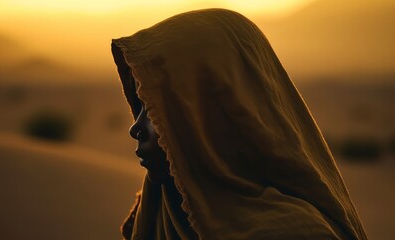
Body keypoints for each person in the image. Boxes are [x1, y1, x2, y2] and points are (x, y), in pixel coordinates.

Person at [111, 8, 368, 240]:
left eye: (156, 109)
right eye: (140, 104)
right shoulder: (163, 211)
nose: (136, 128)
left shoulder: (298, 233)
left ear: (216, 118)